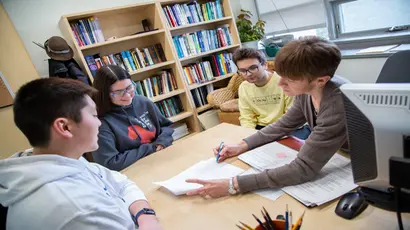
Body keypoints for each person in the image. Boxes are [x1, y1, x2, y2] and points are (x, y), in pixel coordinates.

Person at [185, 36, 350, 198]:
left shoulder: (338, 103)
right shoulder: (307, 89)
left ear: (321, 80)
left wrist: (233, 184)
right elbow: (283, 125)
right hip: (335, 151)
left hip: (354, 161)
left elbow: (303, 169)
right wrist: (242, 145)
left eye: (290, 80)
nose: (280, 83)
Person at [0, 78, 162, 230]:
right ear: (64, 127)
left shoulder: (57, 159)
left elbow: (122, 183)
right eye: (93, 115)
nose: (99, 122)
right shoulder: (78, 211)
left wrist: (146, 215)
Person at [92, 65, 174, 171]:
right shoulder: (100, 123)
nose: (127, 96)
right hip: (134, 172)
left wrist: (161, 142)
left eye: (129, 88)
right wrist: (152, 148)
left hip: (162, 159)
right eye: (118, 92)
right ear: (104, 94)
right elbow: (110, 163)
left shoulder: (143, 102)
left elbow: (166, 126)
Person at [235, 48, 294, 130]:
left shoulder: (284, 81)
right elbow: (247, 118)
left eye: (253, 68)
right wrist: (248, 135)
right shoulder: (244, 87)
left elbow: (292, 116)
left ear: (265, 65)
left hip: (289, 126)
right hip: (262, 128)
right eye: (243, 70)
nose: (248, 74)